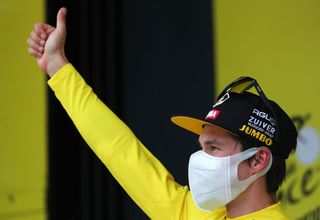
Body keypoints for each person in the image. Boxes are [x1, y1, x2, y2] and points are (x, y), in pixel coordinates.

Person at [27, 7, 297, 219]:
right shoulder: (191, 212)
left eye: (213, 148)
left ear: (258, 161)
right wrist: (57, 67)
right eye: (202, 148)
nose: (199, 160)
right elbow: (117, 148)